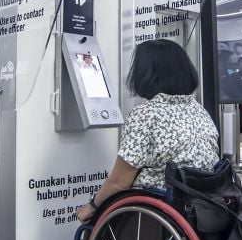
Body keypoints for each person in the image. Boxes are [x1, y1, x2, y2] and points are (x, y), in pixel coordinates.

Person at [77, 40, 218, 222]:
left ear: (146, 74)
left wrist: (92, 206)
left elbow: (119, 183)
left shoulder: (145, 114)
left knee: (87, 230)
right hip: (203, 211)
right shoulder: (199, 110)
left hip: (160, 216)